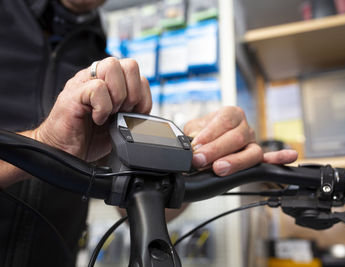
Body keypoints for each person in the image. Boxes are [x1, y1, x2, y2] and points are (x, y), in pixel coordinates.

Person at [0, 1, 298, 266]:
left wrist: (186, 170)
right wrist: (44, 144)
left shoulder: (102, 62)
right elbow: (52, 146)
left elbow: (130, 205)